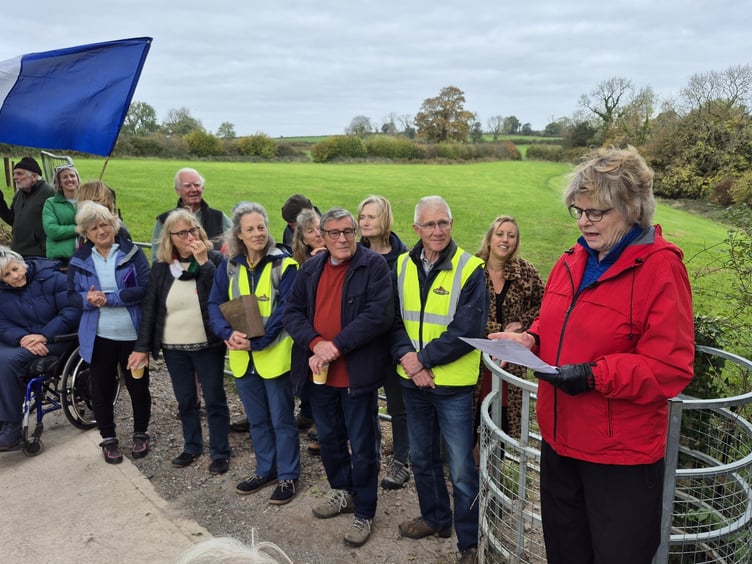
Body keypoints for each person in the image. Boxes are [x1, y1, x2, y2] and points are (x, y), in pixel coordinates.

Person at [489, 146, 694, 563]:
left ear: (632, 208)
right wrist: (531, 340)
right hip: (561, 443)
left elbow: (669, 366)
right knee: (565, 554)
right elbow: (556, 322)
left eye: (595, 211)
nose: (583, 220)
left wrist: (594, 375)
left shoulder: (659, 268)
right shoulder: (572, 260)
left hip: (619, 457)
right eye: (577, 210)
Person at [283, 207, 393, 548]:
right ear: (322, 236)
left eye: (348, 231)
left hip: (355, 375)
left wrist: (336, 347)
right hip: (320, 375)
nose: (343, 238)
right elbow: (292, 312)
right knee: (328, 440)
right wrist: (316, 344)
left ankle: (366, 509)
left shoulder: (373, 265)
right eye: (334, 233)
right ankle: (342, 491)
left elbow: (379, 315)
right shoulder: (311, 268)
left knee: (362, 446)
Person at [391, 195, 487, 564]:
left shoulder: (470, 268)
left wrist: (423, 360)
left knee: (462, 468)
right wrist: (411, 362)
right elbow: (393, 320)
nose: (437, 231)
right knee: (422, 458)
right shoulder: (401, 265)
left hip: (454, 388)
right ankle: (435, 519)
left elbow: (467, 327)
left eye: (443, 222)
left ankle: (469, 542)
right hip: (413, 383)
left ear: (451, 223)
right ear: (416, 228)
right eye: (429, 224)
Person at [208, 202, 300, 505]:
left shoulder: (284, 265)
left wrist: (257, 343)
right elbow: (215, 304)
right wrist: (226, 333)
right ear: (239, 234)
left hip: (273, 357)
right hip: (241, 357)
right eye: (250, 229)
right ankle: (266, 469)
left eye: (261, 227)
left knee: (282, 419)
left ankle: (288, 475)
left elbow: (286, 310)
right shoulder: (229, 265)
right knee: (257, 420)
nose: (258, 233)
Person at [129, 209, 231, 475]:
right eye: (182, 233)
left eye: (193, 230)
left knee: (215, 398)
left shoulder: (215, 260)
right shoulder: (163, 267)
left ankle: (220, 451)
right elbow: (150, 307)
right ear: (170, 238)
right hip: (174, 347)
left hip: (207, 344)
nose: (189, 236)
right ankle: (192, 445)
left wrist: (204, 261)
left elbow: (223, 295)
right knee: (185, 400)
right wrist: (142, 347)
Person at [68, 201, 152, 464]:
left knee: (138, 387)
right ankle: (108, 439)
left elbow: (147, 288)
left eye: (105, 224)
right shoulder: (80, 260)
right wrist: (86, 299)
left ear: (114, 225)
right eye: (93, 228)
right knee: (101, 389)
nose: (101, 231)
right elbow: (70, 296)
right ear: (86, 233)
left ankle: (141, 433)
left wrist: (112, 298)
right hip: (98, 336)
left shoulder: (132, 253)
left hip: (131, 335)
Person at [0, 248, 81, 450]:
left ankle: (12, 427)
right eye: (6, 275)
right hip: (26, 342)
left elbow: (72, 310)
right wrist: (22, 338)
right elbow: (2, 324)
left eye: (15, 269)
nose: (15, 276)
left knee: (7, 362)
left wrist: (45, 335)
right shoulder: (2, 293)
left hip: (57, 338)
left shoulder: (53, 278)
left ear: (23, 264)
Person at [474, 216, 543, 453]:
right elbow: (461, 313)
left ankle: (494, 478)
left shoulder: (525, 272)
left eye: (511, 235)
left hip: (509, 363)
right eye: (500, 234)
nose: (505, 240)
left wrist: (521, 325)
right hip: (475, 358)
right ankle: (474, 477)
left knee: (501, 421)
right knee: (472, 420)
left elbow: (545, 306)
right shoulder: (472, 269)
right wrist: (498, 331)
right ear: (490, 238)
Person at [356, 195, 410, 490]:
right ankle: (371, 453)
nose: (365, 222)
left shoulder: (404, 258)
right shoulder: (353, 253)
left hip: (392, 344)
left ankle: (402, 461)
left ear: (385, 220)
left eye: (371, 216)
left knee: (398, 406)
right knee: (364, 403)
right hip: (363, 344)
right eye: (362, 216)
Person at [289, 208, 326, 449]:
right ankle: (312, 416)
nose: (318, 234)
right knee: (310, 379)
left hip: (328, 331)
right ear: (302, 238)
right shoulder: (297, 263)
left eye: (319, 228)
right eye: (310, 231)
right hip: (306, 332)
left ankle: (323, 428)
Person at [152, 168, 231, 259]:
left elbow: (238, 243)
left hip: (212, 271)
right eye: (188, 186)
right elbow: (157, 258)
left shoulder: (219, 217)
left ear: (203, 188)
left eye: (197, 185)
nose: (193, 189)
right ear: (177, 190)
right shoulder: (163, 220)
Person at [0, 157, 55, 257]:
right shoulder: (19, 194)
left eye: (19, 174)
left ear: (34, 176)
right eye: (14, 174)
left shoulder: (49, 193)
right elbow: (13, 220)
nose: (14, 177)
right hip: (18, 251)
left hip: (39, 254)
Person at [42, 164, 82, 265]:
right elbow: (52, 230)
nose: (69, 179)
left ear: (77, 179)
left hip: (85, 255)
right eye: (65, 177)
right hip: (60, 257)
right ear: (59, 182)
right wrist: (79, 229)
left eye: (72, 176)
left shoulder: (87, 201)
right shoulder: (50, 203)